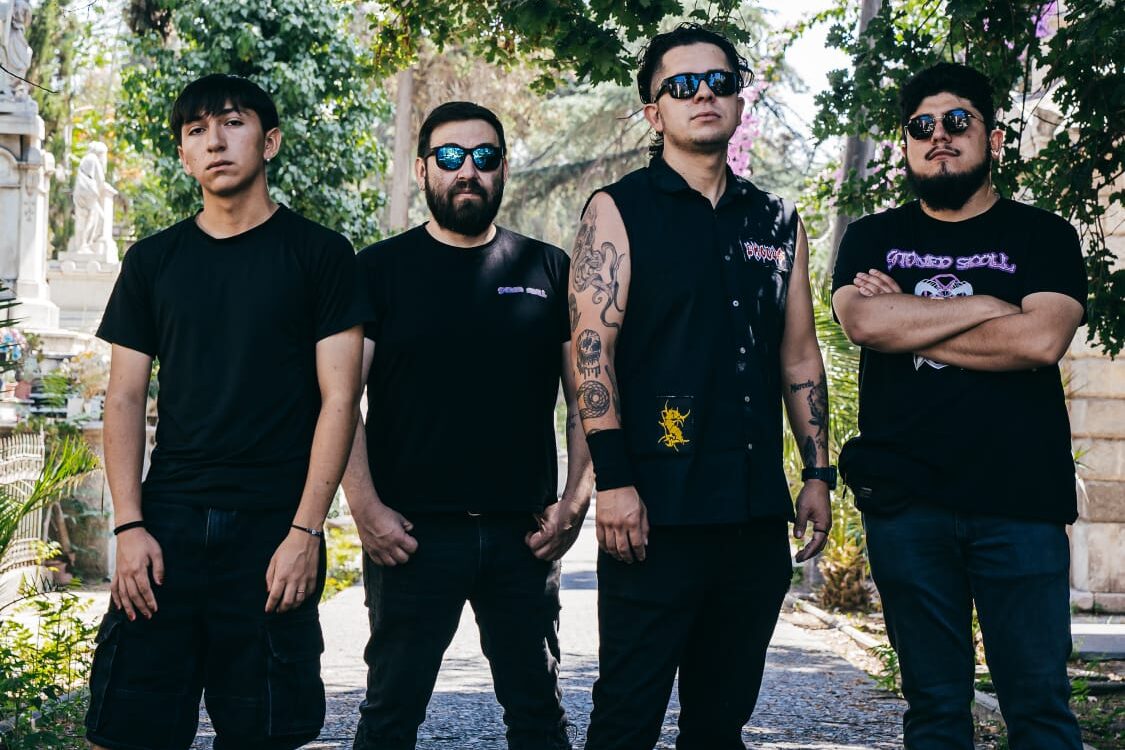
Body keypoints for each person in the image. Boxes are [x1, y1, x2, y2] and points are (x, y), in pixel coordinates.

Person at [572, 24, 833, 750]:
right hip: (655, 513)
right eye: (681, 86)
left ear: (739, 100)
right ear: (653, 112)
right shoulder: (617, 210)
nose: (703, 96)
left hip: (753, 514)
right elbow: (592, 354)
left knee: (720, 723)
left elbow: (799, 355)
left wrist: (817, 472)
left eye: (718, 82)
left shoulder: (776, 221)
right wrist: (613, 482)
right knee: (625, 718)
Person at [85, 73, 364, 750]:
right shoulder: (153, 261)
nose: (215, 141)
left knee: (264, 732)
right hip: (166, 528)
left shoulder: (321, 255)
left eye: (232, 123)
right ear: (184, 156)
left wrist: (306, 531)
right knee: (129, 728)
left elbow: (341, 400)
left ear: (269, 142)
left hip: (272, 529)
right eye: (196, 131)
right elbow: (123, 398)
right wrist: (129, 526)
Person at [831, 61, 1086, 749]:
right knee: (934, 710)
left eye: (956, 121)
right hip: (906, 505)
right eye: (921, 126)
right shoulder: (871, 238)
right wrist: (989, 305)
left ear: (992, 138)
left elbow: (1039, 341)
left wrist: (909, 317)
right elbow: (864, 323)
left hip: (1019, 505)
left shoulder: (1043, 236)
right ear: (906, 144)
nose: (937, 136)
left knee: (1039, 708)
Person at [345, 101, 593, 750]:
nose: (467, 171)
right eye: (450, 157)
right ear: (423, 169)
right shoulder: (378, 270)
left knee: (538, 716)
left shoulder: (547, 269)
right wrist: (365, 508)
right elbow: (340, 401)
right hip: (410, 536)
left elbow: (586, 399)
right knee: (389, 717)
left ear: (502, 168)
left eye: (484, 157)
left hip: (523, 535)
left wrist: (574, 502)